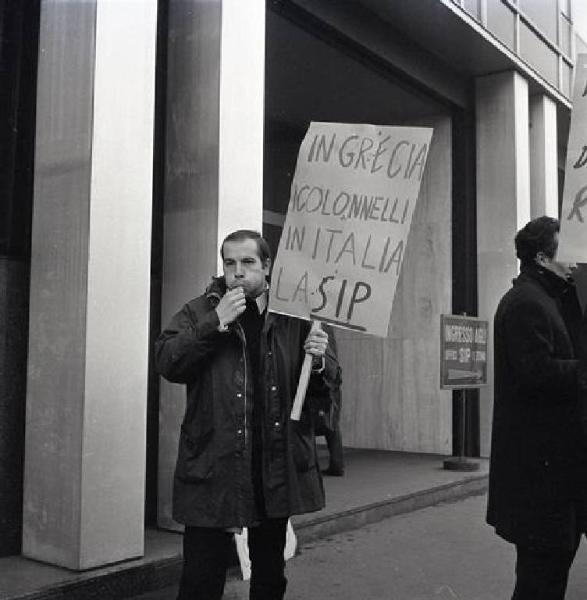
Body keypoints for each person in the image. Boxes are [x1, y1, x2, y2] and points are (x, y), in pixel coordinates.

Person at [155, 229, 340, 600]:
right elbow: (167, 361)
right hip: (214, 464)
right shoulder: (200, 310)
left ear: (267, 266)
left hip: (272, 464)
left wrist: (319, 363)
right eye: (230, 263)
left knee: (270, 573)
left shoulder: (296, 315)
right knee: (200, 576)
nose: (237, 272)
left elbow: (327, 391)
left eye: (248, 262)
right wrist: (214, 323)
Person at [487, 216, 587, 600]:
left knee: (549, 575)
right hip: (540, 480)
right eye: (568, 247)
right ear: (544, 256)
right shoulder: (526, 303)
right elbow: (536, 374)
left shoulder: (553, 297)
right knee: (539, 581)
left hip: (557, 475)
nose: (578, 256)